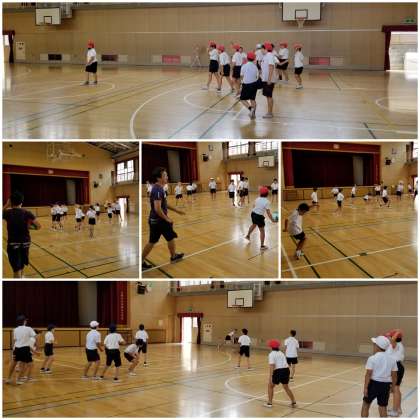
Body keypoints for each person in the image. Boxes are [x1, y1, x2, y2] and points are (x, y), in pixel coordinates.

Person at [142, 167, 185, 270]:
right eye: (165, 175)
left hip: (155, 220)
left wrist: (176, 210)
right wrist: (167, 219)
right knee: (170, 237)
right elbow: (157, 208)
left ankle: (141, 261)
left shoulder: (160, 188)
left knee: (152, 241)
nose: (167, 177)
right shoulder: (157, 189)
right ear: (159, 178)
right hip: (159, 221)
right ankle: (173, 256)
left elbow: (164, 204)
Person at [3, 191, 41, 278]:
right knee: (22, 262)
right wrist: (29, 227)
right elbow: (38, 226)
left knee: (16, 269)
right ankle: (22, 276)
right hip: (26, 243)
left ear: (10, 201)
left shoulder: (8, 213)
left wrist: (6, 205)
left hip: (13, 243)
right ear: (22, 202)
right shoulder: (27, 213)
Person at [361, 335, 397, 418]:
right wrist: (393, 386)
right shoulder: (392, 359)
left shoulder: (372, 358)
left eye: (374, 344)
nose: (373, 346)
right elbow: (394, 375)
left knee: (366, 404)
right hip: (386, 386)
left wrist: (365, 388)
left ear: (377, 346)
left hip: (373, 385)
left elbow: (368, 374)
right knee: (383, 407)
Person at [264, 339, 297, 408]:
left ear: (271, 347)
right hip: (286, 370)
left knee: (270, 386)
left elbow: (272, 366)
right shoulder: (281, 353)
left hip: (278, 371)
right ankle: (293, 401)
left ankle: (269, 403)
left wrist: (270, 377)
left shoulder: (271, 354)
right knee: (286, 387)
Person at [6, 315, 37, 385]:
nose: (26, 321)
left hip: (16, 348)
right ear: (24, 321)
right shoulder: (29, 328)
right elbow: (35, 336)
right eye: (25, 320)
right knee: (23, 364)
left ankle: (8, 379)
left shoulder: (15, 329)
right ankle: (18, 380)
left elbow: (15, 340)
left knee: (13, 363)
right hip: (25, 348)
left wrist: (13, 350)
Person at [386, 330, 405, 417]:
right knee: (396, 388)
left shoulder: (396, 344)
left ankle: (395, 411)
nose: (390, 338)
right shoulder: (398, 345)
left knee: (395, 388)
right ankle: (398, 408)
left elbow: (393, 339)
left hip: (396, 367)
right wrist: (391, 334)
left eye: (391, 336)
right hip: (397, 367)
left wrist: (397, 332)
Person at [239, 51, 259, 119]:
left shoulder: (244, 66)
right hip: (254, 84)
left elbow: (241, 76)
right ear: (254, 59)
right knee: (252, 99)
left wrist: (242, 84)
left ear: (247, 58)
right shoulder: (255, 67)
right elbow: (257, 76)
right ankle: (253, 114)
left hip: (246, 85)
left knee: (242, 99)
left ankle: (251, 109)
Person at [260, 42, 277, 118]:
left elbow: (271, 67)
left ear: (265, 49)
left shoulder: (269, 55)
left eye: (261, 49)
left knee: (269, 96)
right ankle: (269, 112)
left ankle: (270, 113)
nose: (261, 50)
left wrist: (269, 79)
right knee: (268, 96)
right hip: (265, 79)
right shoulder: (266, 56)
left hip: (268, 80)